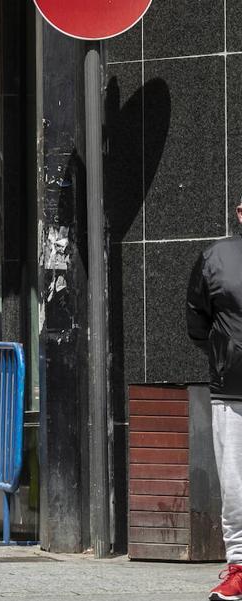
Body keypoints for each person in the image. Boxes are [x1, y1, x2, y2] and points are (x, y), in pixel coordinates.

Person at [188, 205, 242, 601]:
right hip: (234, 390)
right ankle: (240, 570)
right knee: (237, 489)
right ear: (241, 212)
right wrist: (226, 354)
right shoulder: (215, 258)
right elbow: (197, 322)